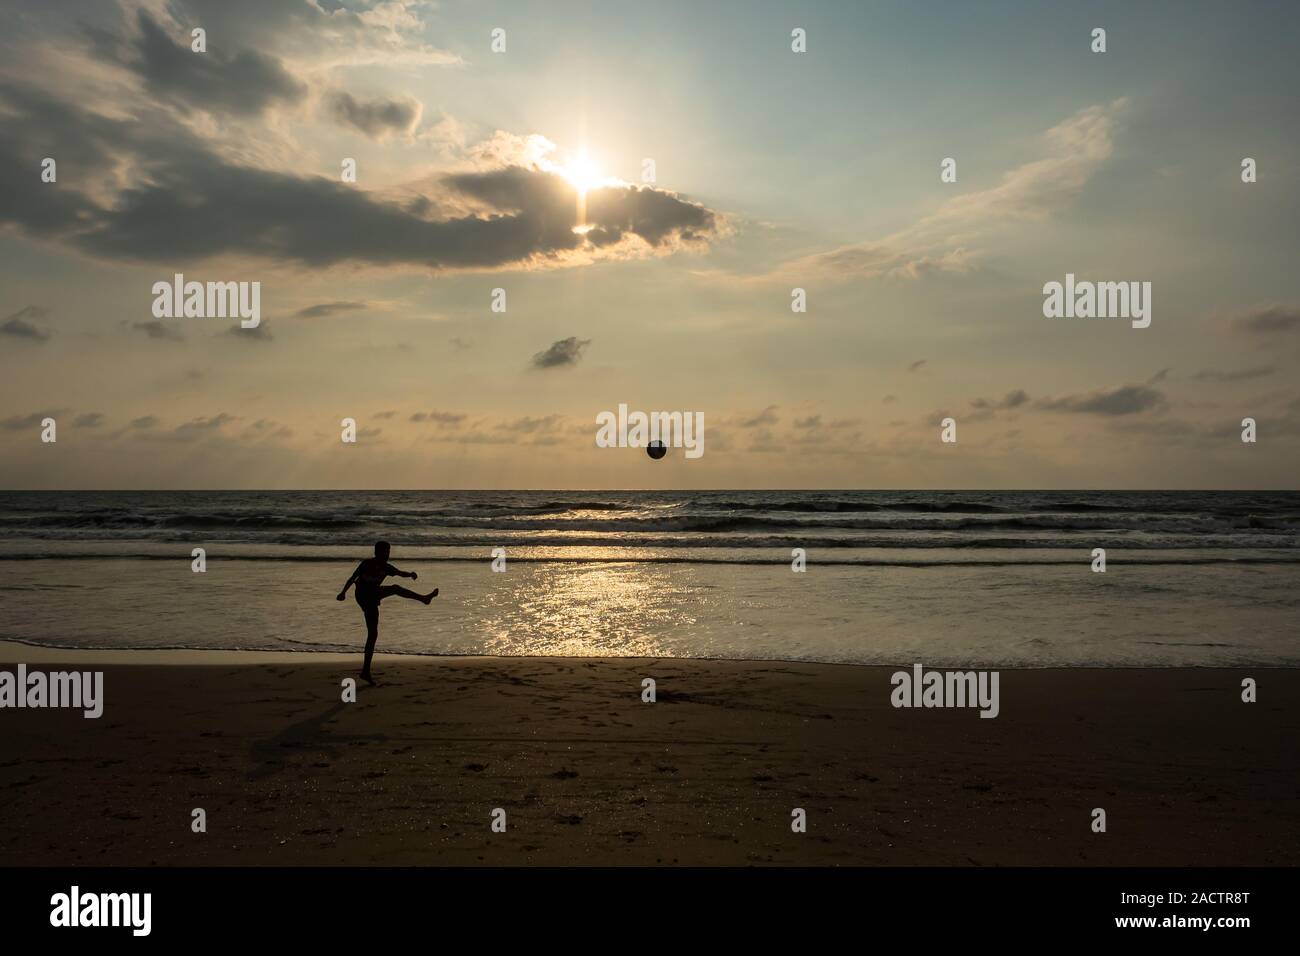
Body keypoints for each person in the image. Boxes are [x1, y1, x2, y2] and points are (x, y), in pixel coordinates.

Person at [337, 541, 436, 684]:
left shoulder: (387, 567)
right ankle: (424, 599)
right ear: (377, 552)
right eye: (385, 552)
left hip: (372, 597)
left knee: (373, 634)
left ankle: (365, 671)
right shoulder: (366, 563)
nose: (387, 555)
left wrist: (410, 574)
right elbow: (352, 578)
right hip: (363, 595)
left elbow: (400, 573)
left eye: (388, 552)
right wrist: (343, 593)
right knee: (395, 588)